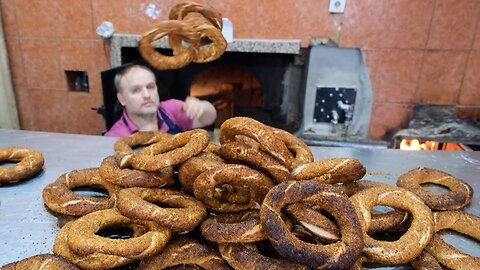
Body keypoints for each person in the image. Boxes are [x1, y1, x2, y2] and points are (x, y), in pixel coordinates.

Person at [104, 65, 217, 137]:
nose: (147, 95)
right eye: (136, 90)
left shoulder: (171, 108)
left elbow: (208, 119)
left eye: (150, 87)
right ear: (122, 99)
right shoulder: (114, 137)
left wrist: (203, 107)